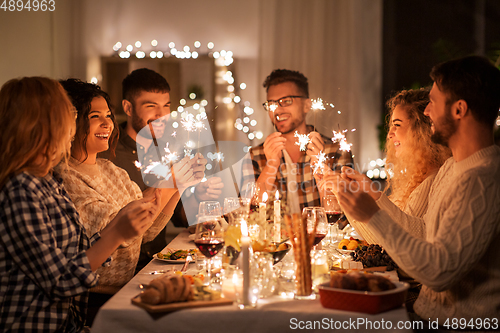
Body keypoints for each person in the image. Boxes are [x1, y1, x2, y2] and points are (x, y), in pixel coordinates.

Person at [334, 56, 500, 326]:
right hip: (424, 316)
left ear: (459, 110)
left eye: (433, 102)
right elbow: (423, 236)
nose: (426, 112)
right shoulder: (451, 169)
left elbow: (439, 272)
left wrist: (373, 214)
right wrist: (366, 204)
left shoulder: (484, 179)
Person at [0, 77, 157, 332]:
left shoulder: (47, 180)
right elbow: (60, 280)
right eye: (69, 116)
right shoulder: (21, 190)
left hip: (72, 322)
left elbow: (79, 252)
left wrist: (119, 225)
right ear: (39, 125)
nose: (73, 127)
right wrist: (116, 234)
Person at [98, 68, 223, 270]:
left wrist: (198, 196)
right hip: (119, 268)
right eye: (151, 106)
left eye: (166, 105)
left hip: (160, 261)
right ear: (128, 108)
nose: (162, 115)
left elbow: (179, 216)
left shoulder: (169, 149)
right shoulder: (106, 152)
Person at [345, 88, 451, 244]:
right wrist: (344, 197)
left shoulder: (430, 182)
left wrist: (369, 194)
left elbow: (395, 242)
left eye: (397, 125)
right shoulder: (414, 179)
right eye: (391, 126)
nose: (390, 134)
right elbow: (383, 238)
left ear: (420, 131)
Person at [241, 69, 353, 210]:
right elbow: (248, 216)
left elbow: (342, 219)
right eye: (272, 103)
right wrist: (271, 165)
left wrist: (320, 166)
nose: (278, 110)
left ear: (307, 105)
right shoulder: (255, 155)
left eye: (286, 101)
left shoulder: (336, 152)